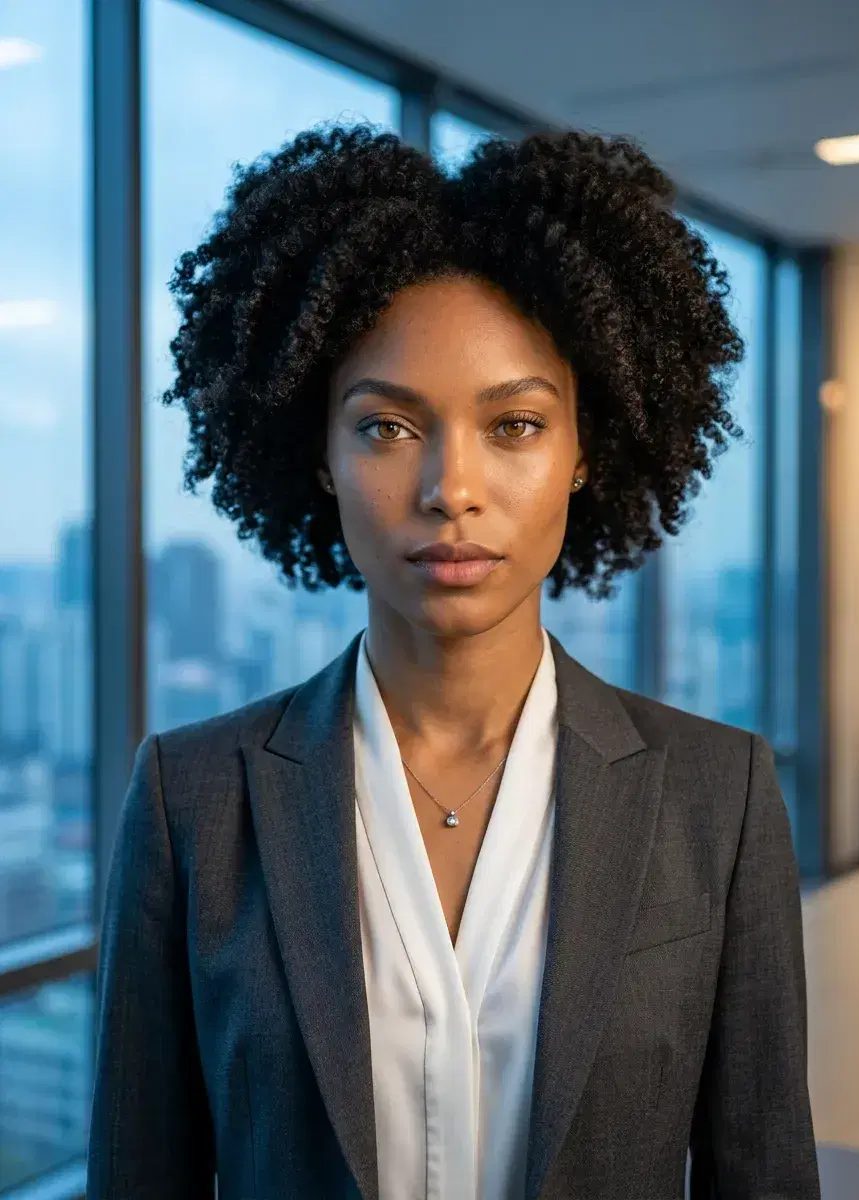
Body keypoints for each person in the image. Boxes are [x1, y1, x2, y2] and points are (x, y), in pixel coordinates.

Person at [86, 123, 821, 1200]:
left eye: (514, 424)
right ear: (320, 459)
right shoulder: (188, 799)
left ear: (584, 451)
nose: (450, 487)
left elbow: (760, 1178)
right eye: (386, 428)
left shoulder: (719, 796)